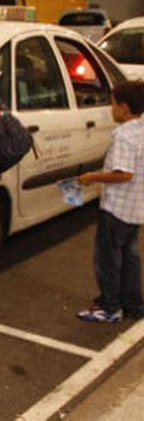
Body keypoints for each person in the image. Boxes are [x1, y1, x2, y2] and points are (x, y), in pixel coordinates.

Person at [77, 80, 144, 323]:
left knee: (107, 259)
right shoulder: (141, 131)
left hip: (116, 208)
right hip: (135, 208)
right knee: (130, 257)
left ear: (124, 108)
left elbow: (123, 173)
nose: (111, 109)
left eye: (113, 104)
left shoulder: (124, 136)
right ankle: (133, 303)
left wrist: (92, 177)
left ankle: (110, 306)